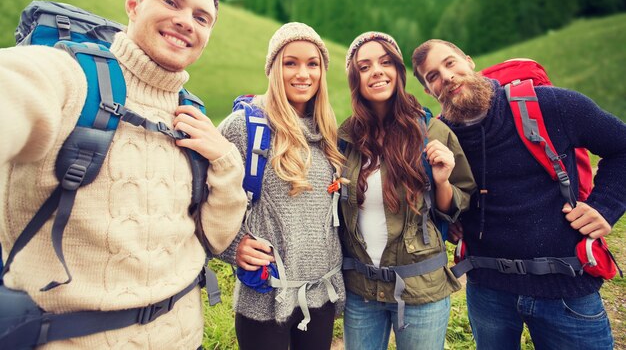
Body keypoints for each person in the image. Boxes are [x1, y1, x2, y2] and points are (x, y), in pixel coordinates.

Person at [0, 0, 248, 349]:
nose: (186, 21)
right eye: (171, 1)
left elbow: (217, 239)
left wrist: (223, 159)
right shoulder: (68, 76)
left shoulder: (192, 114)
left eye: (201, 17)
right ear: (133, 3)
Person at [412, 39, 626, 350]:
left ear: (469, 61)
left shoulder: (550, 106)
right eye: (432, 76)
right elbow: (440, 196)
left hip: (565, 288)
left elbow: (621, 146)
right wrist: (451, 221)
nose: (445, 77)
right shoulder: (440, 137)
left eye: (450, 63)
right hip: (488, 290)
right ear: (429, 92)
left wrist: (605, 208)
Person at [339, 32, 476, 350]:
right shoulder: (344, 139)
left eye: (385, 62)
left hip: (421, 290)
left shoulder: (433, 131)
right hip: (361, 292)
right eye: (364, 66)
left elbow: (460, 204)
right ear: (355, 79)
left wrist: (441, 181)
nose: (376, 71)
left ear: (398, 72)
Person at [217, 22, 346, 350]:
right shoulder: (245, 128)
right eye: (291, 62)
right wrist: (231, 248)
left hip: (320, 296)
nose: (303, 73)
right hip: (265, 298)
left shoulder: (328, 134)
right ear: (274, 68)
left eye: (312, 64)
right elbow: (201, 201)